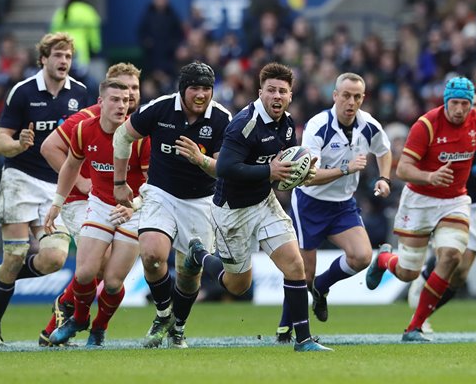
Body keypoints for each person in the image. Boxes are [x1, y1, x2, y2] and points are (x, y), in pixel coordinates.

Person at [183, 62, 332, 352]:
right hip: (232, 210)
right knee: (238, 286)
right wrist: (271, 173)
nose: (277, 96)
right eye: (272, 90)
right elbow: (225, 168)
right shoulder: (244, 124)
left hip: (264, 202)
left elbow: (282, 167)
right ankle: (199, 254)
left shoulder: (287, 123)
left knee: (295, 264)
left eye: (283, 92)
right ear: (260, 92)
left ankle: (303, 340)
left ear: (290, 96)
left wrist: (301, 172)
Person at [365, 76, 476, 342]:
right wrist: (430, 177)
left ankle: (415, 327)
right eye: (455, 103)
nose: (460, 109)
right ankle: (384, 259)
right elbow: (404, 169)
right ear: (445, 102)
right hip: (420, 200)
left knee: (452, 256)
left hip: (455, 200)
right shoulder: (427, 125)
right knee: (408, 272)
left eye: (465, 104)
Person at [112, 61, 231, 348]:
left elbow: (223, 169)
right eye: (195, 88)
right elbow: (122, 135)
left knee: (190, 275)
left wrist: (200, 159)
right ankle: (163, 314)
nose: (201, 94)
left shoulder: (222, 118)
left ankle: (178, 326)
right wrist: (119, 182)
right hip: (161, 193)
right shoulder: (160, 108)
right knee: (152, 255)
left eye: (207, 89)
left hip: (202, 201)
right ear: (182, 89)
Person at [275, 72, 393, 342]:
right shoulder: (319, 126)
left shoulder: (369, 125)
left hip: (342, 204)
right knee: (303, 273)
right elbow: (306, 175)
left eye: (357, 97)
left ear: (363, 98)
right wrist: (345, 168)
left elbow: (384, 150)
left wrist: (384, 178)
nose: (351, 102)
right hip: (309, 203)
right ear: (335, 96)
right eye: (347, 96)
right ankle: (285, 327)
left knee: (362, 256)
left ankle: (322, 287)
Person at [0, 32, 88, 345]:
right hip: (20, 179)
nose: (63, 61)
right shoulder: (23, 91)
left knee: (54, 259)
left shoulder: (81, 94)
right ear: (43, 59)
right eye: (57, 55)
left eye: (68, 56)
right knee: (16, 252)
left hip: (56, 186)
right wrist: (18, 144)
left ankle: (1, 278)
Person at [38, 62, 142, 346]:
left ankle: (95, 327)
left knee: (110, 279)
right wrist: (60, 201)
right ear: (102, 98)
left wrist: (137, 205)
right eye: (120, 93)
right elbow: (56, 153)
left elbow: (153, 180)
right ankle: (74, 317)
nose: (127, 98)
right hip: (90, 200)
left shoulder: (143, 131)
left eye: (133, 90)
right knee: (87, 271)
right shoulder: (84, 125)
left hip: (132, 210)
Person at [406, 85, 476, 334]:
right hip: (438, 199)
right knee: (449, 257)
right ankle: (423, 286)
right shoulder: (448, 127)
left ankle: (423, 310)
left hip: (472, 204)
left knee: (461, 273)